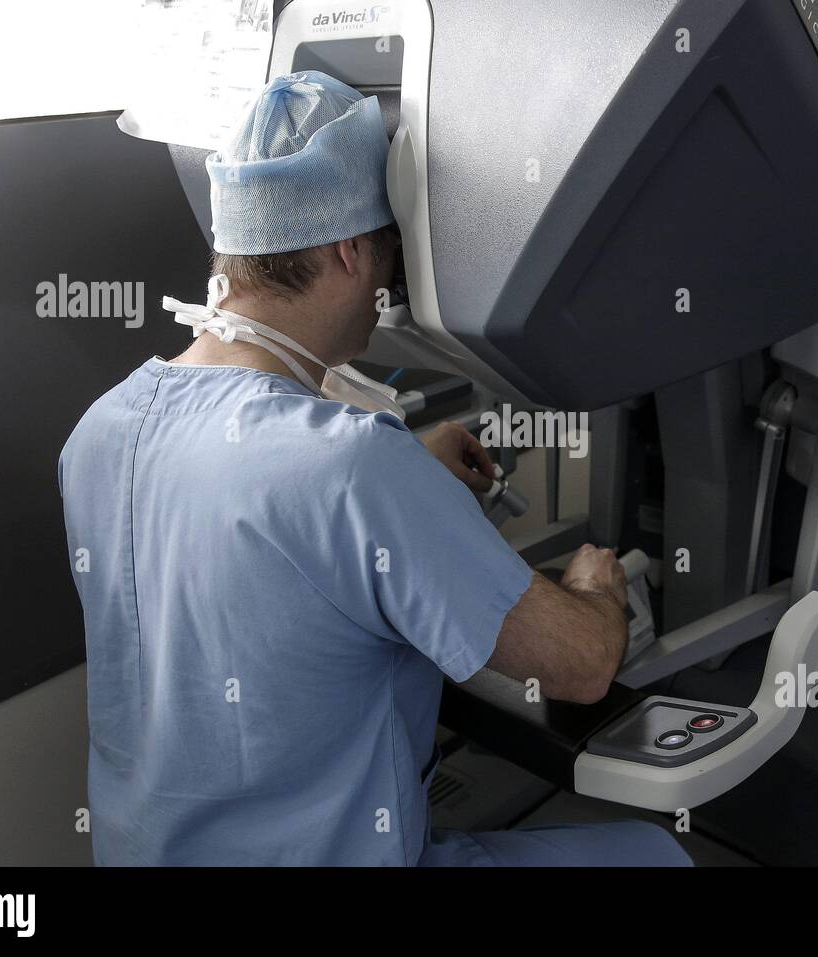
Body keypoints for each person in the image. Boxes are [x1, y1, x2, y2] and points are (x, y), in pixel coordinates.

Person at [58, 71, 690, 866]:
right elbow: (584, 668)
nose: (391, 285)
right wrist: (596, 590)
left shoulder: (100, 429)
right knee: (655, 855)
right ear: (351, 250)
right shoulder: (354, 465)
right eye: (392, 254)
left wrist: (410, 482)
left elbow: (243, 535)